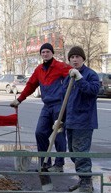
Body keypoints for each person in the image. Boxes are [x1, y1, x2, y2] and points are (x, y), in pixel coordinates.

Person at [10, 43, 72, 172]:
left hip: (59, 106)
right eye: (43, 52)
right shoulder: (39, 69)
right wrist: (19, 99)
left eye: (47, 52)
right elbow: (31, 85)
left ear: (52, 53)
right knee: (40, 133)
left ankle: (59, 165)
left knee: (58, 135)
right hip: (47, 106)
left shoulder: (61, 66)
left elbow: (74, 77)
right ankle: (45, 162)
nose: (45, 54)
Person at [60, 46, 99, 193]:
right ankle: (83, 180)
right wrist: (60, 119)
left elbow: (93, 91)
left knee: (81, 153)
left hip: (84, 121)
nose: (74, 59)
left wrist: (80, 78)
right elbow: (65, 100)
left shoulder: (90, 75)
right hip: (70, 121)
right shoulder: (68, 76)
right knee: (74, 153)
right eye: (72, 57)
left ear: (83, 59)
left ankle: (86, 185)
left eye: (77, 57)